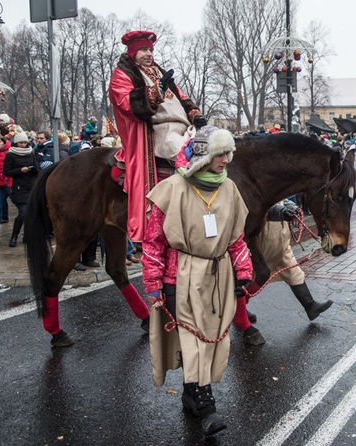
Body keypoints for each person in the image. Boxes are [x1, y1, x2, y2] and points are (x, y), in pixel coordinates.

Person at [141, 126, 252, 437]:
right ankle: (206, 405)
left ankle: (192, 394)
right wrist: (153, 282)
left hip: (220, 274)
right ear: (204, 155)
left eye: (229, 152)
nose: (227, 159)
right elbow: (153, 242)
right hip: (181, 275)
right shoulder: (172, 188)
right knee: (194, 339)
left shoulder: (228, 188)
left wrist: (243, 270)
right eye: (221, 153)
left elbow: (236, 239)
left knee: (212, 336)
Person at [109, 30, 207, 242]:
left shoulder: (159, 71)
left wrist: (195, 115)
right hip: (156, 129)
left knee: (212, 145)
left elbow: (183, 98)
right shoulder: (122, 74)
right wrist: (155, 92)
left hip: (182, 127)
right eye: (144, 49)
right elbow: (127, 103)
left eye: (151, 49)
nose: (149, 53)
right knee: (179, 150)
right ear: (133, 51)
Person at [233, 200, 334, 345]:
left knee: (294, 271)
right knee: (255, 276)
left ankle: (310, 305)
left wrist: (291, 207)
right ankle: (240, 311)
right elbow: (257, 201)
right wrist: (281, 211)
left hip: (281, 236)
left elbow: (282, 195)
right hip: (264, 237)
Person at [3, 130, 39, 247]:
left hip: (31, 186)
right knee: (23, 213)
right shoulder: (10, 155)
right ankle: (14, 236)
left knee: (31, 213)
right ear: (16, 143)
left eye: (24, 142)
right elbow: (6, 172)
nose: (23, 145)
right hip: (19, 187)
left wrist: (33, 169)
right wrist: (20, 170)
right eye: (21, 143)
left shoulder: (31, 153)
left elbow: (36, 169)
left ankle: (27, 235)